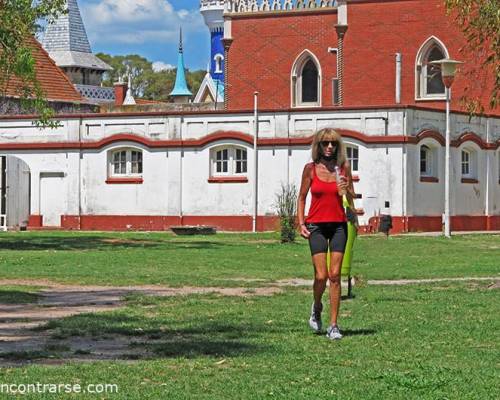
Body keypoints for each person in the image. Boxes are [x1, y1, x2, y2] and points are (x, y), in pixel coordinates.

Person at [297, 128, 356, 340]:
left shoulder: (343, 168)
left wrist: (348, 189)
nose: (329, 147)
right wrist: (301, 222)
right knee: (321, 276)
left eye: (333, 143)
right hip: (316, 226)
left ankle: (333, 325)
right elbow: (302, 197)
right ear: (318, 146)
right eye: (325, 143)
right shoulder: (310, 169)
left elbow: (351, 196)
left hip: (339, 225)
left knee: (335, 275)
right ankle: (317, 306)